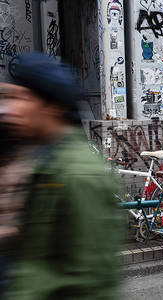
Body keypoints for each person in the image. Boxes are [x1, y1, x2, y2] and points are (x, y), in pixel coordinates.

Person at [0, 52, 121, 299]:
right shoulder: (39, 157)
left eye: (20, 98)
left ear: (51, 107)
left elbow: (93, 281)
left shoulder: (78, 174)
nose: (9, 110)